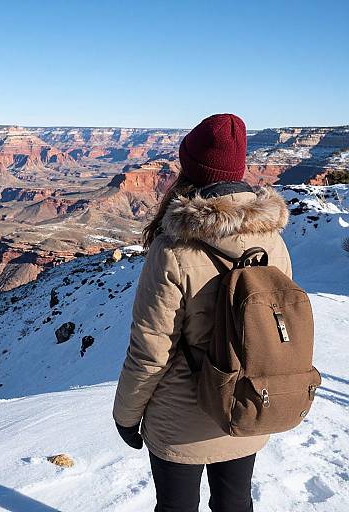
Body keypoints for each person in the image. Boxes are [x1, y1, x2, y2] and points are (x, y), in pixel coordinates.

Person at [112, 113, 292, 512]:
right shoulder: (274, 240)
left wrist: (126, 416)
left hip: (181, 419)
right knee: (235, 503)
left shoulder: (174, 250)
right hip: (246, 407)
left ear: (191, 169)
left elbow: (151, 352)